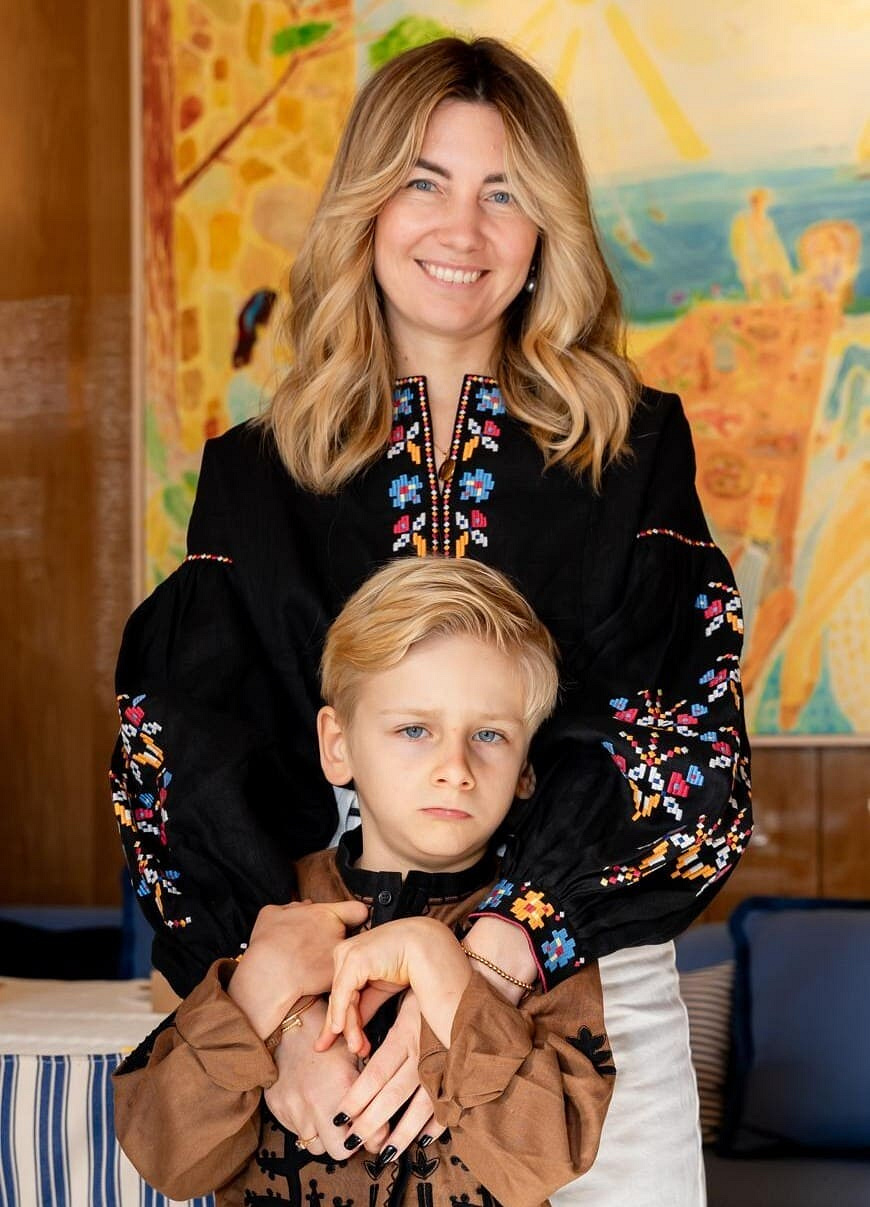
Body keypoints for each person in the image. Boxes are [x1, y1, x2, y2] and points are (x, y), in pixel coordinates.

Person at [112, 36, 751, 1205]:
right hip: (335, 1021)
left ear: (546, 225)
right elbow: (189, 759)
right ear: (366, 203)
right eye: (425, 182)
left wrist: (497, 954)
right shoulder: (255, 475)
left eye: (504, 192)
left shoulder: (636, 448)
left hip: (580, 1007)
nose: (464, 230)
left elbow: (685, 742)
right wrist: (282, 1012)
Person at [113, 558, 615, 1206]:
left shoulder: (544, 939)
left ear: (526, 769)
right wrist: (257, 991)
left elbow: (546, 1160)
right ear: (338, 744)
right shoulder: (268, 915)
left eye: (489, 734)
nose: (455, 767)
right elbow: (166, 1158)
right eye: (415, 729)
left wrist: (448, 977)